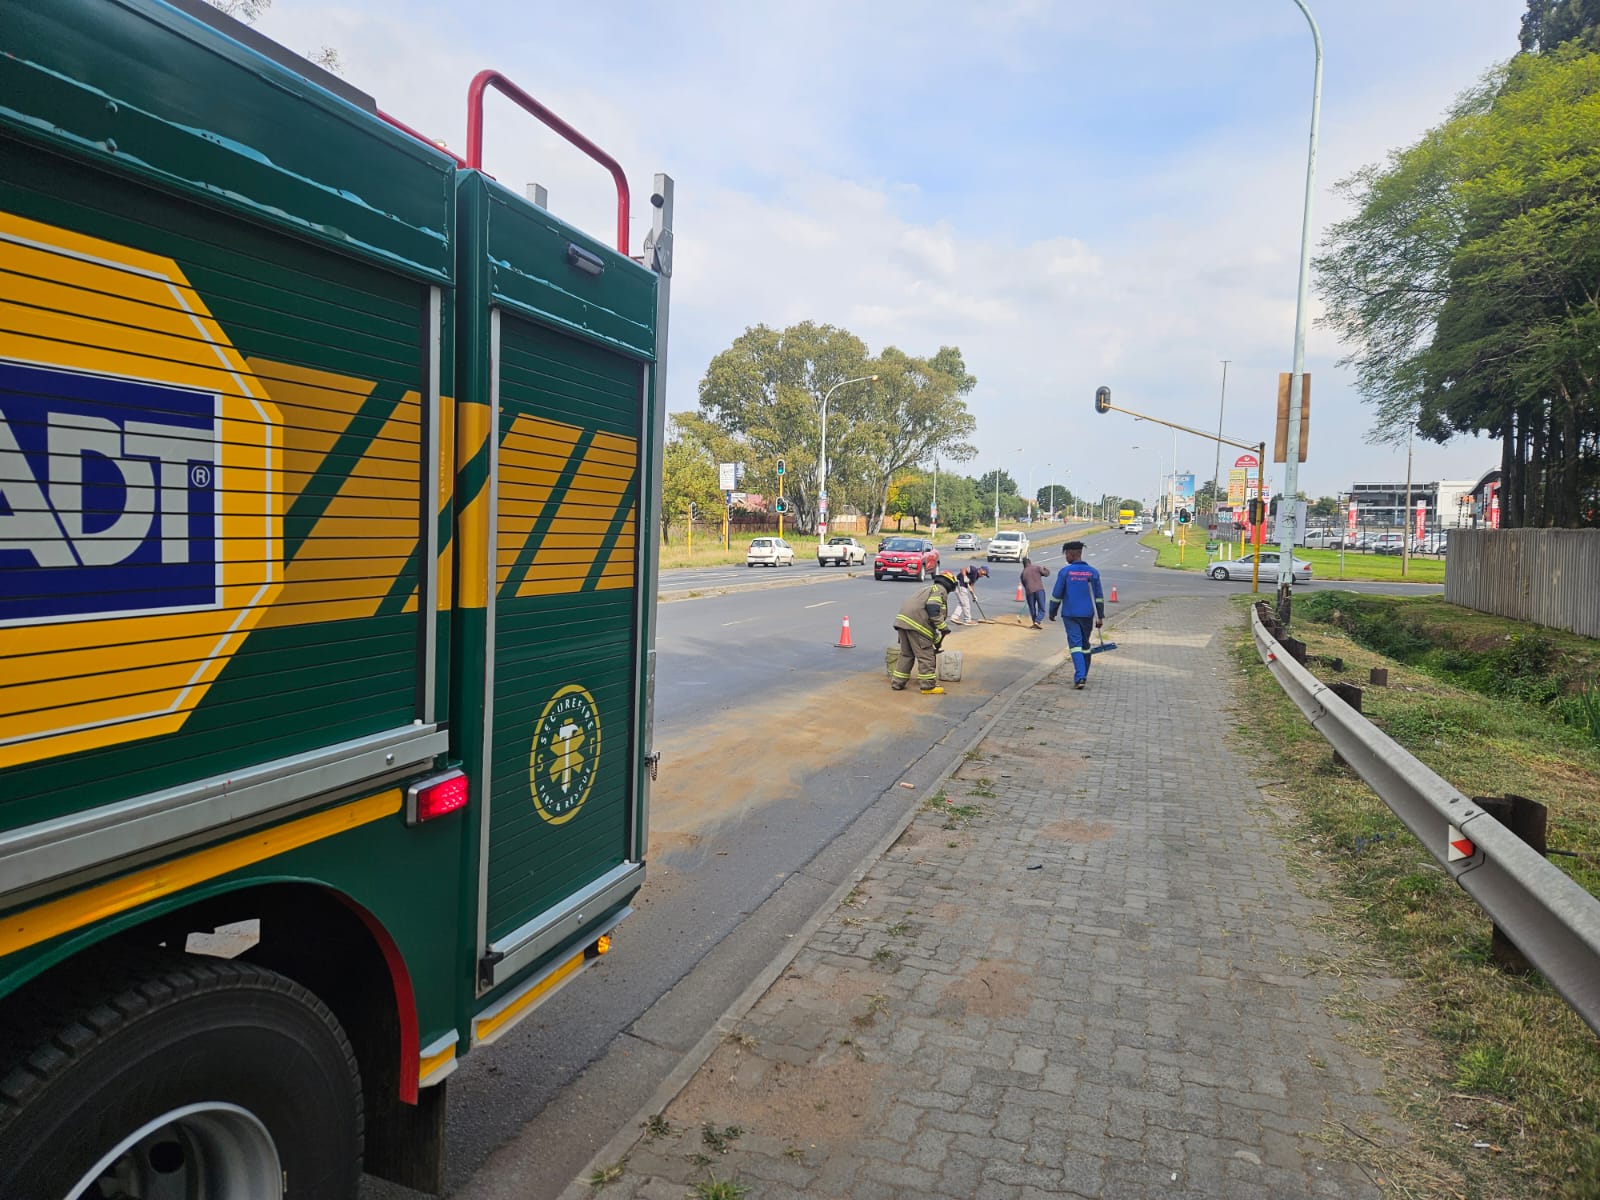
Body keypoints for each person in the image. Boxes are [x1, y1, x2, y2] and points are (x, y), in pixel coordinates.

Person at [1047, 540, 1104, 689]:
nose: (1066, 557)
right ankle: (1083, 674)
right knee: (1085, 645)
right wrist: (1100, 616)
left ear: (1072, 554)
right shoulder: (1093, 572)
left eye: (1066, 554)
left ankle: (1080, 677)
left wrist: (1052, 611)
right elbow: (1098, 596)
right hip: (1087, 615)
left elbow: (1056, 595)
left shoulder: (1065, 572)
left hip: (1070, 614)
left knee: (1075, 646)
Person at [892, 570, 957, 694]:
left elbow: (929, 625)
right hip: (917, 624)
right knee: (926, 656)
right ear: (950, 584)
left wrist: (937, 641)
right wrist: (943, 627)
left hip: (903, 623)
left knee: (906, 655)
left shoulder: (927, 589)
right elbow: (932, 608)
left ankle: (897, 683)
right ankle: (928, 686)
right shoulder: (940, 589)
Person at [1019, 556, 1051, 629]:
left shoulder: (1023, 573)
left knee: (1032, 608)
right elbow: (1046, 574)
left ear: (1023, 564)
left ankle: (1034, 622)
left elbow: (1024, 584)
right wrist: (1046, 569)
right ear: (1030, 562)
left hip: (1029, 592)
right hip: (1039, 590)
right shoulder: (1037, 568)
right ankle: (1037, 621)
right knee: (1042, 608)